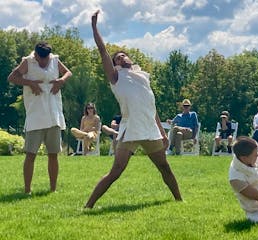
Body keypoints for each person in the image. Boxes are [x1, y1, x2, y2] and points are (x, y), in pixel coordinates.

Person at [85, 10, 182, 208]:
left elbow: (151, 108)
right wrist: (95, 27)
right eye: (118, 58)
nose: (122, 58)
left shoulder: (142, 77)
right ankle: (88, 206)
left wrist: (162, 133)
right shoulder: (116, 78)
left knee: (164, 166)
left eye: (123, 55)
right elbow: (103, 51)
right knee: (116, 171)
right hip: (131, 130)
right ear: (115, 65)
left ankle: (180, 201)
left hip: (149, 128)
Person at [7, 41, 72, 194]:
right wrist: (29, 83)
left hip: (53, 114)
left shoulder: (55, 60)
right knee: (30, 154)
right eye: (40, 58)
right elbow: (12, 77)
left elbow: (68, 72)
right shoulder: (27, 62)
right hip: (35, 115)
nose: (43, 61)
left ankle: (53, 189)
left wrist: (61, 80)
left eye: (45, 58)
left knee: (53, 154)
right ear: (35, 54)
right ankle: (27, 190)